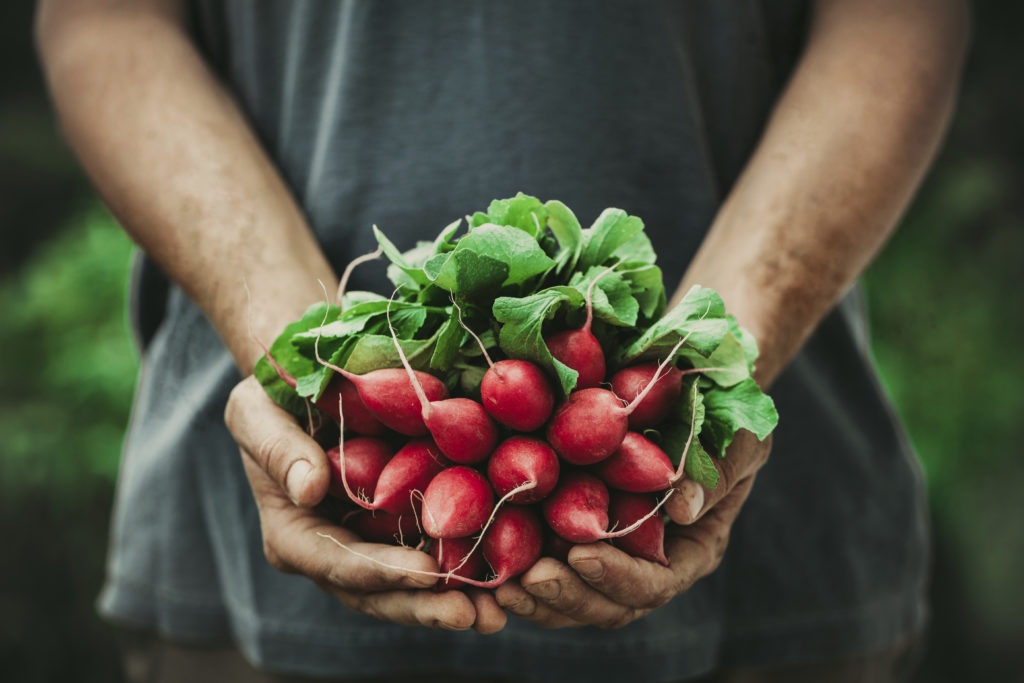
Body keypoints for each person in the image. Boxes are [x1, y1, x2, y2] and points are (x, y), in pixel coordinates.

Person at [36, 0, 968, 681]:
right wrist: (302, 355)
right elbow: (104, 21)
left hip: (779, 574)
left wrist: (716, 360)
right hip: (239, 569)